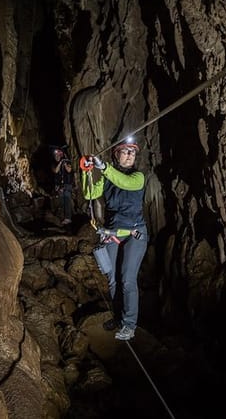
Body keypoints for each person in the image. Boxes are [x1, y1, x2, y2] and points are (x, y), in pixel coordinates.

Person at [81, 140, 147, 341]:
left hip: (135, 233)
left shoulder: (138, 177)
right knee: (112, 279)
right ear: (116, 154)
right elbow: (90, 193)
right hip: (112, 233)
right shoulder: (107, 177)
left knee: (127, 279)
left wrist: (104, 167)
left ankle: (129, 324)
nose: (129, 155)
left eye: (132, 153)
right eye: (125, 151)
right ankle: (119, 317)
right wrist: (86, 171)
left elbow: (124, 182)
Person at [51, 148, 73, 224]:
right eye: (56, 155)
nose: (57, 156)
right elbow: (55, 171)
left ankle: (68, 218)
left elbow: (69, 170)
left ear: (61, 155)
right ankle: (64, 217)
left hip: (67, 185)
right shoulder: (53, 164)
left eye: (58, 155)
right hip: (59, 186)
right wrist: (60, 163)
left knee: (67, 201)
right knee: (61, 202)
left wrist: (65, 163)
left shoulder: (67, 162)